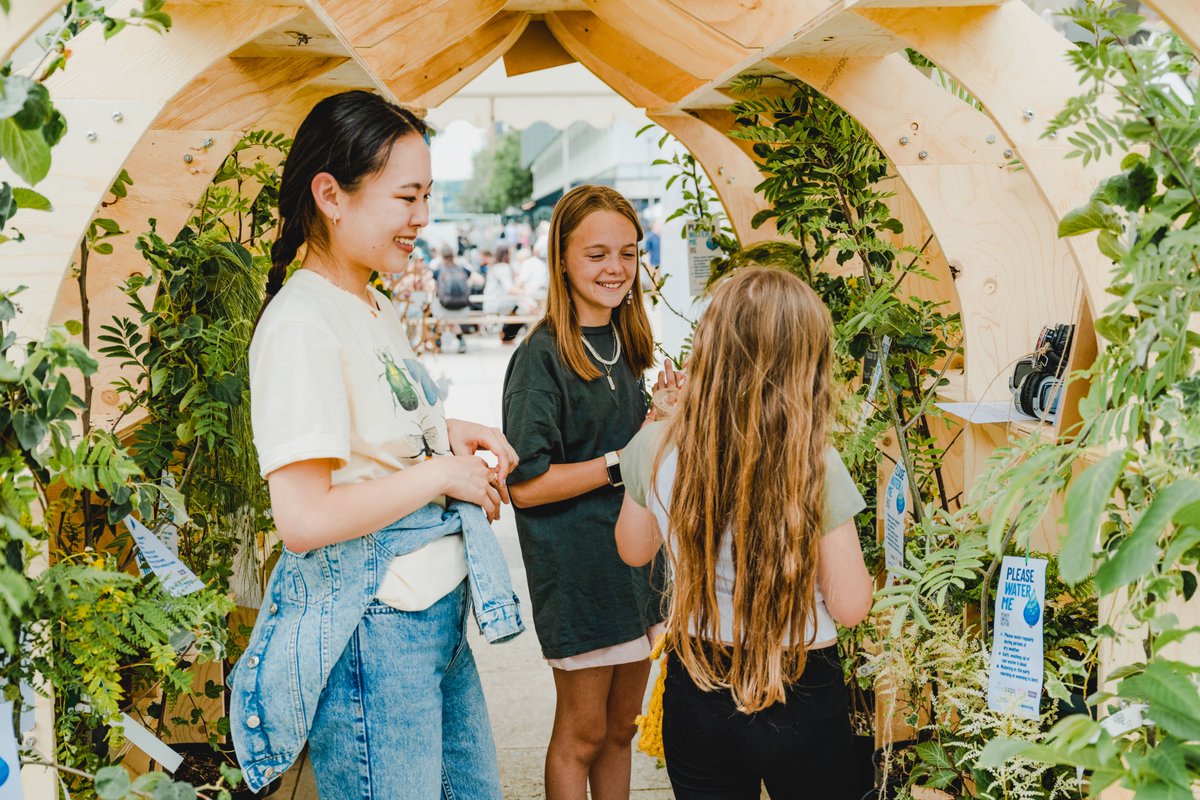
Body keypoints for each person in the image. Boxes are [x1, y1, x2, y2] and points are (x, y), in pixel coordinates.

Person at [229, 90, 525, 800]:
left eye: (426, 197)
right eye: (406, 197)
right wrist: (440, 476)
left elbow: (366, 436)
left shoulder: (370, 301)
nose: (422, 219)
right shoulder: (301, 324)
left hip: (432, 614)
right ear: (330, 194)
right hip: (378, 630)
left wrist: (447, 434)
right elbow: (303, 520)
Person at [614, 266, 874, 799]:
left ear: (705, 349)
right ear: (807, 364)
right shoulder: (815, 464)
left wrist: (651, 429)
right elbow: (850, 606)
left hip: (697, 679)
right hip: (800, 683)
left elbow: (634, 550)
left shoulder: (654, 446)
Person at [502, 185, 667, 800]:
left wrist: (662, 421)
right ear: (561, 258)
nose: (616, 269)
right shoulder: (539, 358)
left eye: (628, 253)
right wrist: (624, 460)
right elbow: (526, 485)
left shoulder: (628, 343)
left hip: (637, 566)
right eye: (597, 254)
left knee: (622, 728)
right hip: (576, 572)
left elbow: (638, 449)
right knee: (582, 732)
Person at [432, 244, 472, 353]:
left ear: (441, 256)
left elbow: (435, 289)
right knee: (451, 321)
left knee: (440, 317)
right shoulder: (463, 270)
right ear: (453, 255)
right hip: (463, 309)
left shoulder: (438, 271)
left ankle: (438, 342)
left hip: (444, 309)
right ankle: (461, 341)